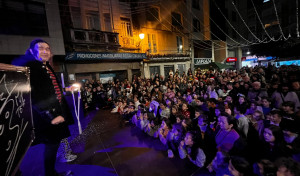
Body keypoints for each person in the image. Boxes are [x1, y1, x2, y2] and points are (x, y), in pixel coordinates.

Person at [12, 39, 75, 176]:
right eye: (41, 48)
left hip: (56, 113)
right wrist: (51, 115)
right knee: (52, 145)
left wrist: (64, 89)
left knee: (54, 144)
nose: (45, 51)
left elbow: (49, 89)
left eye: (47, 48)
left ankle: (51, 172)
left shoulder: (44, 66)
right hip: (49, 116)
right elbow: (34, 95)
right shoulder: (33, 67)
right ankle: (50, 173)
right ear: (32, 51)